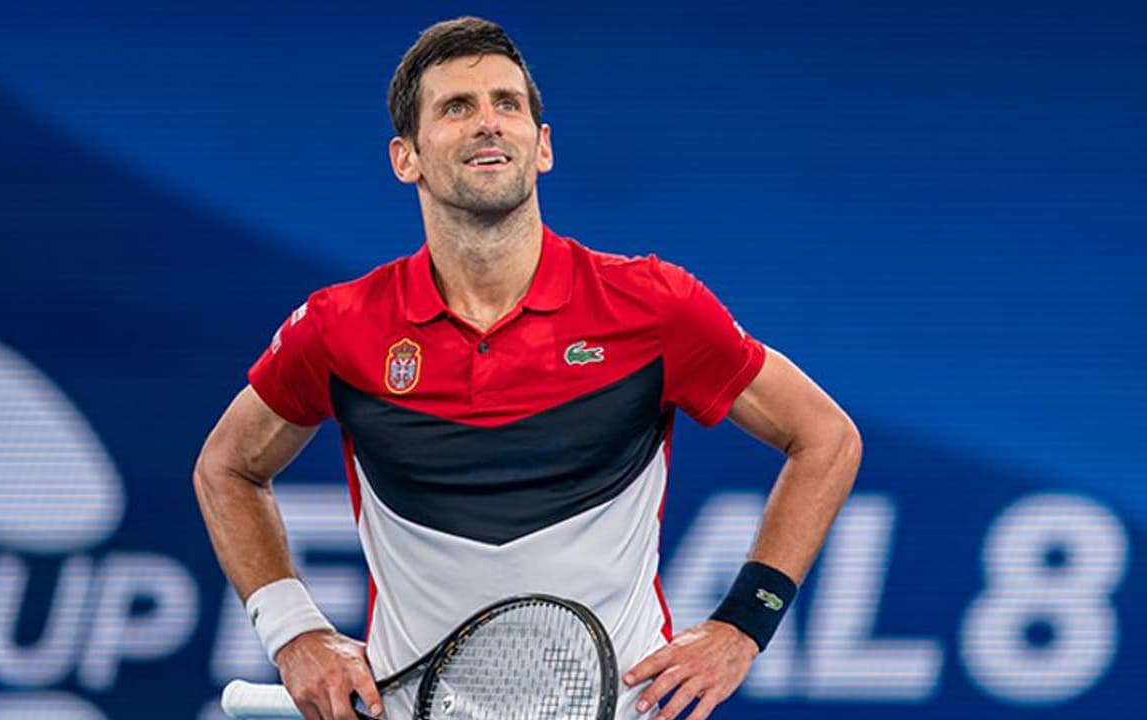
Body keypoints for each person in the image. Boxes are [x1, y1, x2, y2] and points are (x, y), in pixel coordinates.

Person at [195, 16, 861, 720]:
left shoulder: (654, 305)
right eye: (457, 107)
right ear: (406, 157)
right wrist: (292, 631)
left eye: (507, 104)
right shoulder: (339, 327)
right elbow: (226, 468)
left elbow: (826, 438)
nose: (488, 123)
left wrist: (744, 625)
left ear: (542, 146)